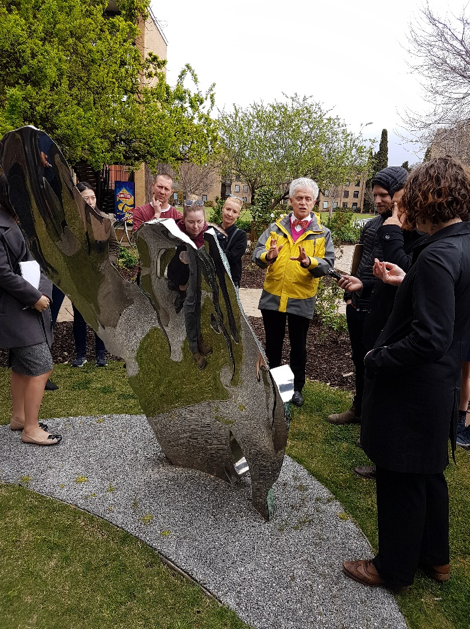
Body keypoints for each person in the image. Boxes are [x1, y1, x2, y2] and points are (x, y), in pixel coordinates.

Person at [342, 156, 470, 590]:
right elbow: (448, 310)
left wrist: (378, 358)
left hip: (415, 389)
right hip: (442, 386)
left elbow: (430, 337)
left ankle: (392, 568)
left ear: (424, 199)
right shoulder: (461, 243)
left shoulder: (437, 256)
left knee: (400, 477)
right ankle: (436, 559)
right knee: (429, 472)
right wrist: (405, 279)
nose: (402, 207)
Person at [327, 166, 408, 426]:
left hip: (384, 309)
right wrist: (349, 297)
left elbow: (400, 271)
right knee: (359, 360)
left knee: (380, 366)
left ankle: (376, 420)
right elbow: (360, 263)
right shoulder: (372, 225)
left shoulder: (405, 230)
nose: (378, 201)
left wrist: (366, 288)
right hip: (358, 303)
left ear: (399, 193)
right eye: (375, 195)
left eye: (384, 195)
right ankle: (359, 409)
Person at [253, 177, 334, 407]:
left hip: (302, 296)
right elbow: (257, 253)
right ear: (290, 200)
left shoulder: (322, 233)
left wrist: (310, 262)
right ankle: (277, 387)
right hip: (273, 295)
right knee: (273, 345)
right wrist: (267, 256)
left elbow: (328, 265)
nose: (303, 202)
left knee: (298, 346)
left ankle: (295, 389)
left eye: (308, 198)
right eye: (299, 198)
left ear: (315, 202)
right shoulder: (275, 228)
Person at [0, 175, 61, 446]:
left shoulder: (17, 218)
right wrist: (34, 296)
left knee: (22, 365)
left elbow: (38, 256)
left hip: (29, 303)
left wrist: (44, 291)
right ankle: (31, 429)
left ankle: (20, 417)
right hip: (14, 307)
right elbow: (2, 273)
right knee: (41, 365)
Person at [70, 182, 119, 367]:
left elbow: (114, 246)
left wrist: (108, 263)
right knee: (80, 315)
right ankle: (80, 355)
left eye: (93, 197)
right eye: (85, 198)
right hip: (80, 277)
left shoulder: (105, 219)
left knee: (101, 316)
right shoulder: (72, 221)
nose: (90, 201)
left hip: (101, 276)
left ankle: (101, 355)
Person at [167, 199, 212, 369]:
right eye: (190, 222)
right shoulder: (176, 235)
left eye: (199, 221)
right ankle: (194, 349)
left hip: (203, 283)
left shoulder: (209, 234)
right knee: (190, 312)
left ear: (204, 220)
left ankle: (200, 338)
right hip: (184, 283)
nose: (195, 226)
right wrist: (180, 284)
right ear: (183, 220)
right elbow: (171, 265)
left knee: (203, 311)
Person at [218, 196, 247, 287]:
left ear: (238, 215)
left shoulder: (240, 235)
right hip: (213, 278)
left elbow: (233, 257)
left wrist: (216, 247)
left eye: (234, 212)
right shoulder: (212, 230)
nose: (230, 214)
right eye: (228, 209)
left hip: (230, 281)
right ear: (223, 208)